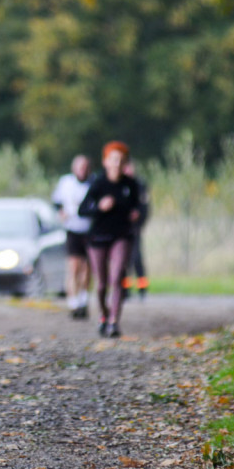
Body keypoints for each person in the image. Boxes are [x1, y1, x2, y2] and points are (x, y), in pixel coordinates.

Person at [78, 141, 140, 338]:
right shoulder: (98, 183)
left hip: (122, 236)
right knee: (102, 284)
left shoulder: (131, 185)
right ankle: (103, 316)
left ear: (125, 164)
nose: (117, 163)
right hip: (98, 237)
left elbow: (140, 207)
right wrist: (99, 207)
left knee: (117, 279)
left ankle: (114, 321)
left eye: (121, 160)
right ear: (105, 162)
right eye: (114, 159)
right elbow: (82, 210)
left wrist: (137, 214)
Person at [51, 155, 94, 319]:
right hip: (72, 228)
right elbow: (56, 202)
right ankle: (73, 302)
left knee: (87, 269)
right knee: (74, 267)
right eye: (80, 167)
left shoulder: (93, 183)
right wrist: (60, 213)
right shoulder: (66, 183)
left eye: (85, 167)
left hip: (89, 229)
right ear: (74, 168)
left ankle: (83, 299)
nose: (82, 170)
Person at [121, 159, 150, 300]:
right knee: (123, 259)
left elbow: (145, 206)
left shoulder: (140, 185)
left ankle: (142, 288)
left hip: (135, 228)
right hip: (121, 228)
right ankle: (125, 289)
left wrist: (139, 219)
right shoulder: (120, 185)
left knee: (136, 257)